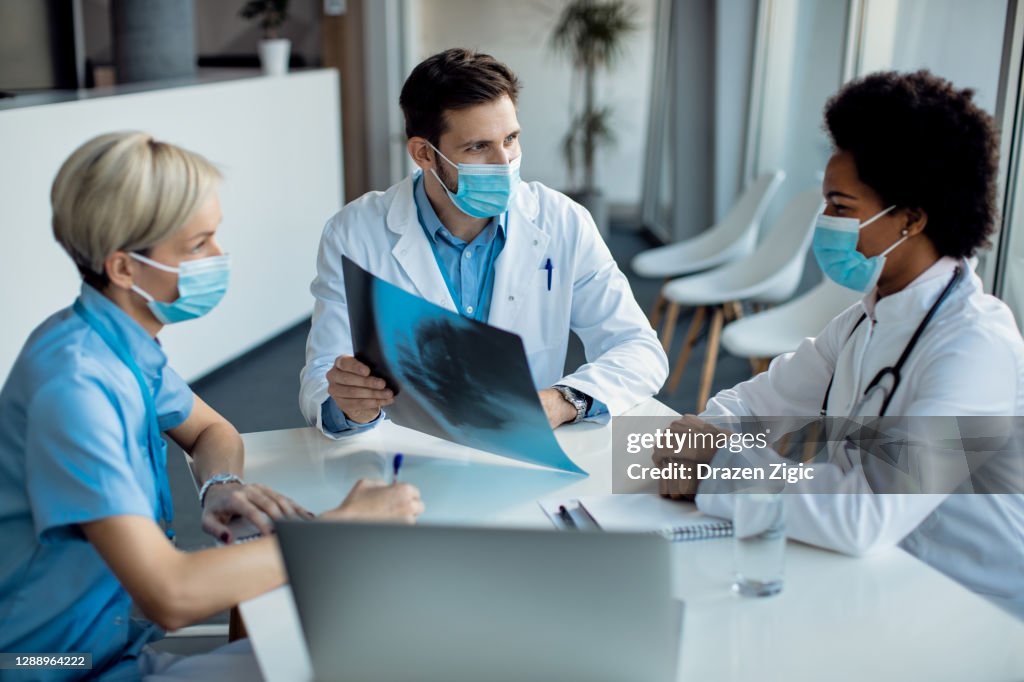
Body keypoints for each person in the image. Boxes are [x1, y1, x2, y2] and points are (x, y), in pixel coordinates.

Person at [0, 132, 424, 680]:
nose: (220, 257)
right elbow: (170, 596)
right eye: (199, 246)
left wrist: (219, 485)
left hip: (111, 645)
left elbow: (211, 431)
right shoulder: (75, 388)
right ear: (125, 268)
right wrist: (339, 529)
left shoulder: (114, 343)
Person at [658, 71, 1024, 618]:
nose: (822, 223)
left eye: (840, 206)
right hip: (878, 575)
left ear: (912, 218)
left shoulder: (978, 348)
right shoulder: (865, 318)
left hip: (972, 607)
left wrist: (715, 463)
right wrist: (700, 437)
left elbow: (864, 515)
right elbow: (760, 403)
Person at [300, 48, 668, 438]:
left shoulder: (563, 222)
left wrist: (561, 401)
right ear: (424, 153)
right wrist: (349, 405)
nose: (504, 161)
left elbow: (639, 349)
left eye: (510, 139)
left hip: (522, 450)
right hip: (404, 459)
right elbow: (323, 373)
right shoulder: (355, 232)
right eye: (478, 147)